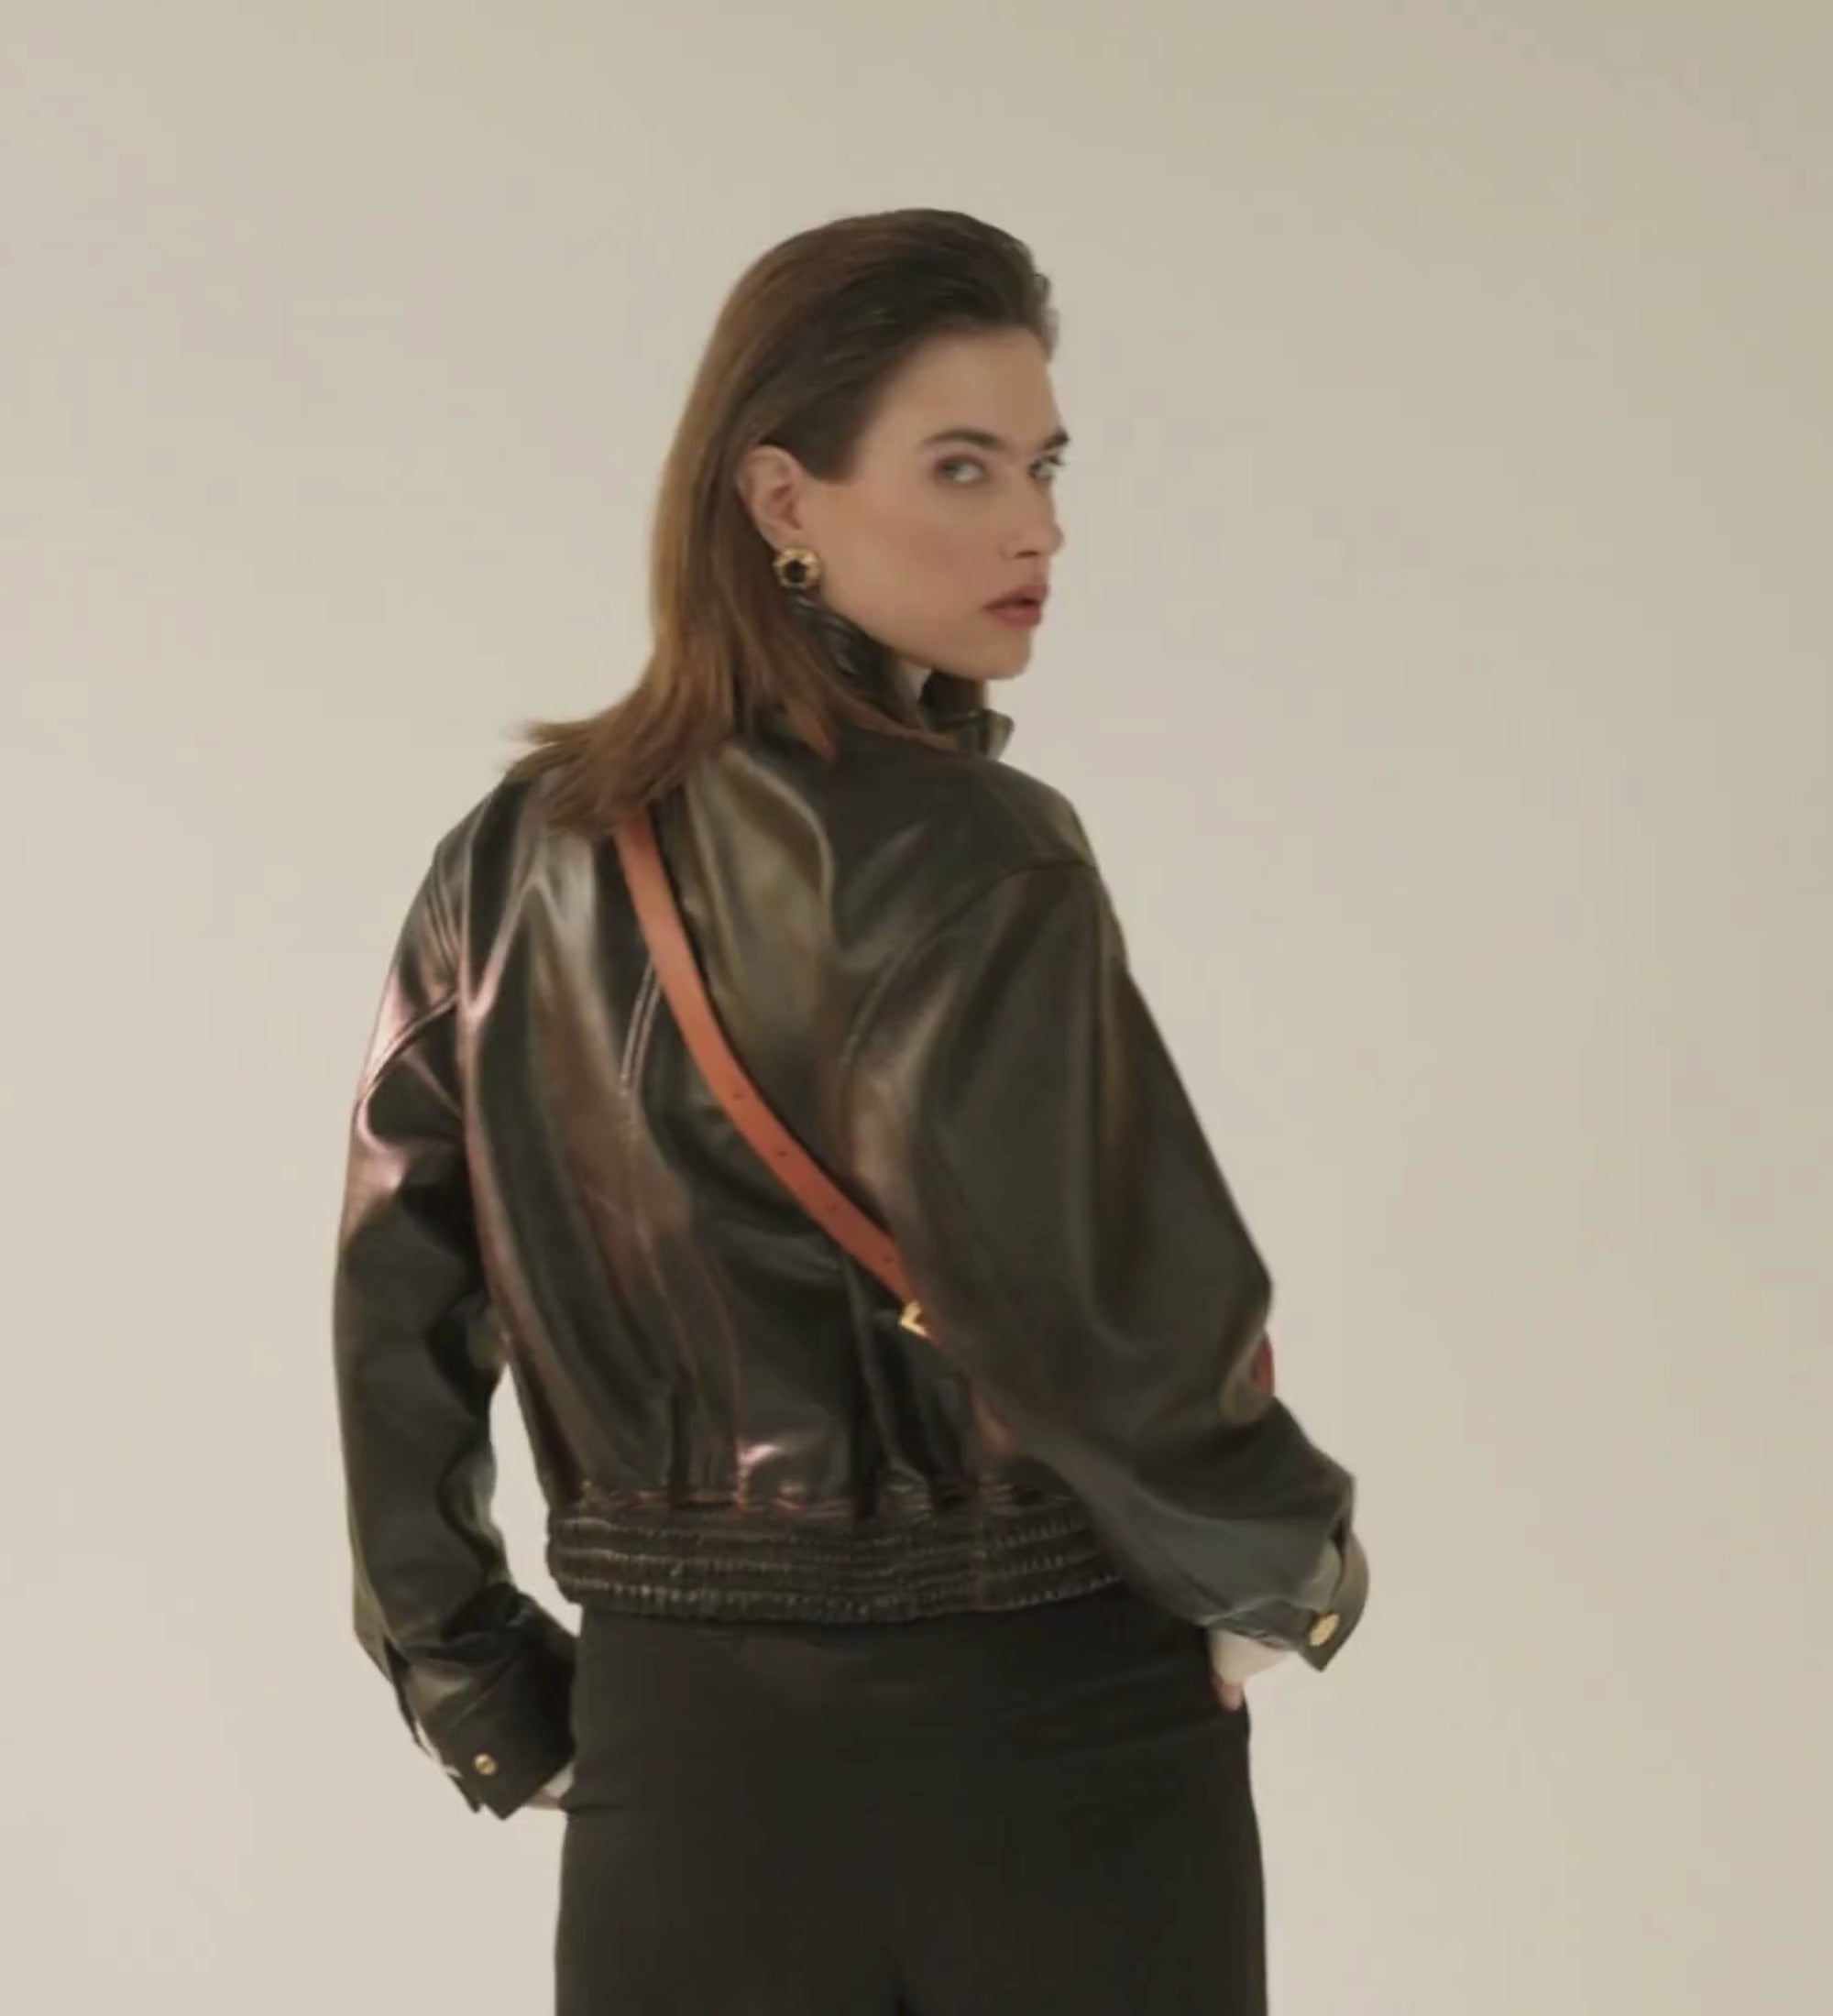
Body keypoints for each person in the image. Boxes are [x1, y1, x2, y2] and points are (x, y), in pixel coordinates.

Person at [331, 207, 1368, 2016]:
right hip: (1049, 1728)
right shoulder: (990, 854)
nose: (1036, 526)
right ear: (780, 497)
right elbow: (1108, 1310)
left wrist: (471, 1673)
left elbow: (396, 1300)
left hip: (678, 1755)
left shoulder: (508, 860)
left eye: (1044, 466)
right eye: (961, 466)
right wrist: (1288, 1568)